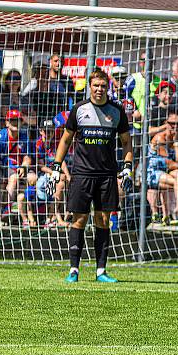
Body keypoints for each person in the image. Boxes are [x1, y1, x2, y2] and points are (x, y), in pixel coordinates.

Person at [46, 69, 133, 283]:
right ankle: (74, 270)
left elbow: (126, 142)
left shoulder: (117, 111)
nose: (99, 89)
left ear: (107, 87)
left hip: (106, 174)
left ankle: (101, 271)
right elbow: (66, 140)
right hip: (82, 173)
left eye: (103, 86)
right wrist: (56, 166)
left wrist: (128, 166)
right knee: (79, 219)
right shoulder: (79, 109)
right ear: (90, 86)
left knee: (103, 220)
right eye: (96, 85)